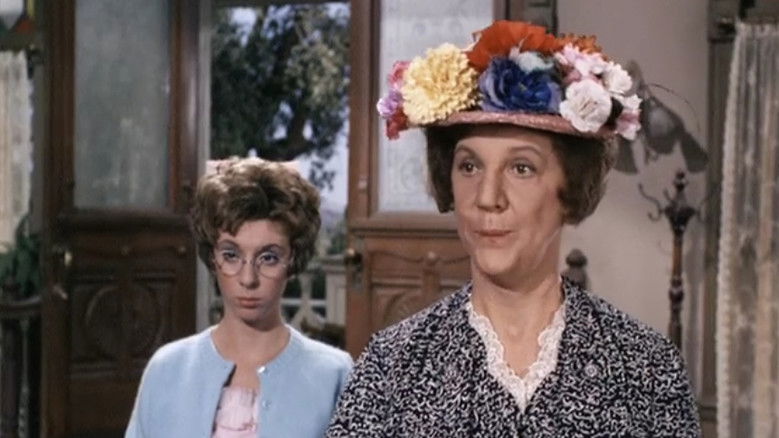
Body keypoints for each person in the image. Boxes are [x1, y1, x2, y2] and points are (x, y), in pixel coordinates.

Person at [327, 20, 700, 437]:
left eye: (521, 168)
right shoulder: (390, 368)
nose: (488, 197)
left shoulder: (646, 368)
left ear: (570, 188)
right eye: (469, 166)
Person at [126, 158, 352, 437]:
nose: (248, 279)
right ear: (212, 257)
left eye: (268, 258)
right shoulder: (167, 369)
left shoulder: (334, 375)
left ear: (292, 260)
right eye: (231, 255)